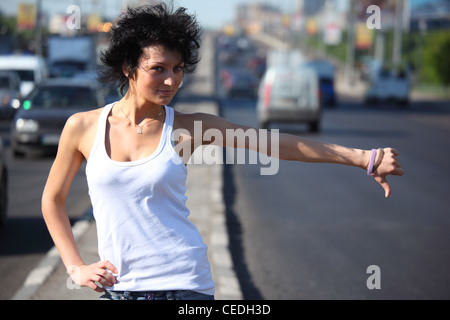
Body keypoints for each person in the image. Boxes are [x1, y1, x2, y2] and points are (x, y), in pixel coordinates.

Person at [41, 3, 404, 300]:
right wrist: (76, 266)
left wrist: (362, 158)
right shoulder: (84, 127)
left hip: (185, 287)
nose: (171, 80)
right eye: (158, 69)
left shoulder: (188, 128)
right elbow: (53, 200)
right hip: (117, 289)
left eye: (178, 68)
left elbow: (273, 143)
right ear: (127, 67)